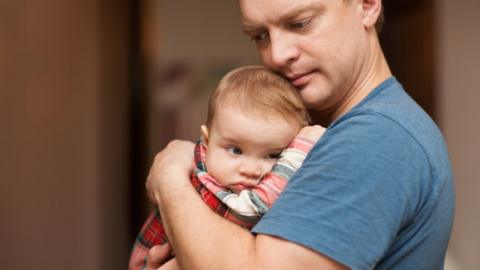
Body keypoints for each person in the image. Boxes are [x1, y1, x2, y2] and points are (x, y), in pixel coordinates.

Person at [145, 0, 455, 269]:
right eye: (260, 35)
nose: (277, 55)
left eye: (300, 23)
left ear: (367, 5)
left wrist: (169, 177)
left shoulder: (376, 137)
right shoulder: (329, 130)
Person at [129, 66, 325, 269]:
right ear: (206, 142)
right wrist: (300, 150)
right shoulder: (202, 180)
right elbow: (248, 212)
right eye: (236, 150)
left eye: (273, 155)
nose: (251, 169)